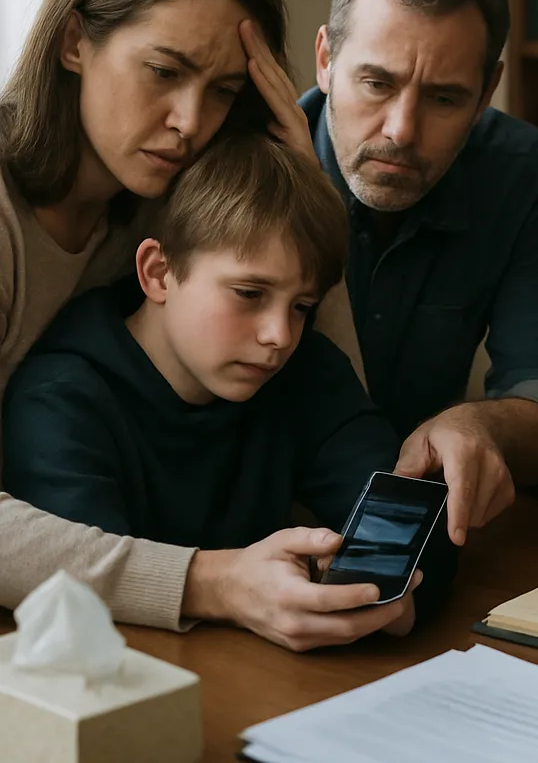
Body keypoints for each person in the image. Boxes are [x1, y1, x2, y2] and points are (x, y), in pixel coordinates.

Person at [0, 0, 418, 651]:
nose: (191, 122)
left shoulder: (164, 203)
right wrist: (212, 581)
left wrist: (302, 191)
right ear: (73, 41)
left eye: (224, 91)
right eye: (164, 71)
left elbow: (318, 386)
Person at [2, 133, 429, 645]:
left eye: (301, 306)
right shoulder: (59, 399)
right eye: (250, 294)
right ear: (158, 273)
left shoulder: (304, 371)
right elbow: (90, 603)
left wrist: (370, 598)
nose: (280, 335)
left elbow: (413, 537)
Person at [302, 0, 538, 547]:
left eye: (443, 98)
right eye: (377, 84)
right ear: (326, 60)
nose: (402, 130)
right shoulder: (249, 167)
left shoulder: (530, 180)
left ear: (487, 92)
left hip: (427, 534)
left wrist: (482, 425)